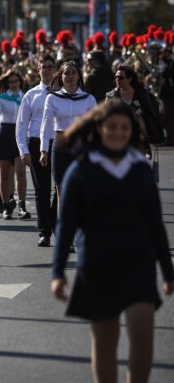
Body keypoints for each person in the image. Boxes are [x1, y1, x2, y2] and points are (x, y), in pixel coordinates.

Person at [51, 99, 173, 383]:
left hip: (138, 263)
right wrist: (57, 273)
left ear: (132, 131)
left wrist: (168, 272)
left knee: (142, 337)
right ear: (99, 128)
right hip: (97, 263)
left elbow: (155, 223)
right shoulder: (81, 169)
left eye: (124, 128)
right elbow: (66, 225)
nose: (118, 133)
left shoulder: (140, 169)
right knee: (106, 340)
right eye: (112, 127)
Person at [40, 61, 98, 202]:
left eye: (73, 73)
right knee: (62, 192)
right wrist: (43, 150)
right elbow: (46, 124)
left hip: (81, 146)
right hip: (60, 145)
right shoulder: (52, 98)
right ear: (61, 76)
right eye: (66, 73)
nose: (70, 76)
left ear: (79, 76)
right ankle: (64, 223)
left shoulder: (89, 99)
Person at [16, 55, 58, 246]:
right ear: (38, 70)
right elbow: (21, 124)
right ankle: (44, 232)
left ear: (55, 69)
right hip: (35, 144)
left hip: (58, 144)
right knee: (42, 190)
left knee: (60, 189)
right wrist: (23, 150)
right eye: (44, 67)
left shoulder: (63, 94)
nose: (47, 70)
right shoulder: (31, 95)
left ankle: (57, 226)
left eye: (50, 67)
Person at [0, 70, 25, 219]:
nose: (14, 84)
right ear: (7, 84)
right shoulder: (0, 99)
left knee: (21, 173)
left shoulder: (26, 97)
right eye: (11, 82)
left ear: (20, 82)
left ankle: (22, 206)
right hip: (4, 134)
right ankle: (6, 206)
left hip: (19, 134)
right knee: (4, 173)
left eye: (16, 81)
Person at [106, 65, 164, 153]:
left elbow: (151, 113)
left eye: (121, 78)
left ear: (130, 79)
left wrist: (154, 136)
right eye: (116, 77)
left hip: (138, 136)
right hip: (119, 135)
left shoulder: (142, 94)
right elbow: (106, 116)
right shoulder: (111, 95)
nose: (117, 80)